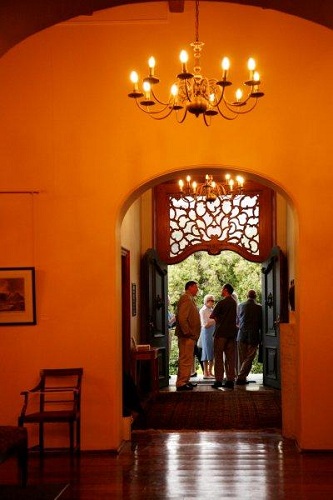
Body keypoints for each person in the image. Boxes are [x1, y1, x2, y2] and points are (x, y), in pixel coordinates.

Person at [175, 280, 201, 391]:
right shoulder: (186, 298)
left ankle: (185, 380)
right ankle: (181, 383)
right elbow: (182, 317)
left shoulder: (189, 298)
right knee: (185, 358)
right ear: (190, 287)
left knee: (188, 359)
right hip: (187, 336)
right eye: (196, 287)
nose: (197, 290)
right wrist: (187, 332)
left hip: (190, 336)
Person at [210, 283, 238, 389]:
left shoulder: (222, 302)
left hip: (221, 333)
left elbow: (212, 316)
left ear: (226, 290)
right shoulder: (234, 302)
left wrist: (219, 321)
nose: (221, 291)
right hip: (231, 333)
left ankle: (218, 380)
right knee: (230, 358)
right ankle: (230, 379)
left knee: (218, 357)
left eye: (222, 289)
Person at [236, 289, 262, 385]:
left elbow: (237, 321)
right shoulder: (259, 307)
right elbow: (261, 323)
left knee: (242, 358)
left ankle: (242, 377)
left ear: (247, 296)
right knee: (249, 357)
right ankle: (241, 377)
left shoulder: (240, 306)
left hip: (241, 335)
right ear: (255, 297)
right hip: (253, 336)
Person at [199, 294, 216, 379]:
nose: (213, 302)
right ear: (207, 301)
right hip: (206, 333)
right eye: (211, 300)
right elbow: (205, 324)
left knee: (212, 352)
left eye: (213, 301)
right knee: (206, 352)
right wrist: (215, 320)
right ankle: (206, 373)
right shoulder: (203, 310)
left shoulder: (211, 309)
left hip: (212, 332)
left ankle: (210, 372)